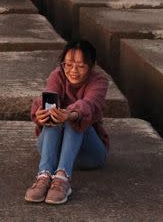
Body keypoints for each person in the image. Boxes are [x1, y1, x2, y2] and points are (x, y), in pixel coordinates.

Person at [25, 40, 109, 205]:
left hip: (88, 155)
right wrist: (40, 113)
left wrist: (70, 114)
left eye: (80, 66)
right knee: (52, 115)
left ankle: (62, 178)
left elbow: (89, 105)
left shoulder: (99, 81)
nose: (73, 71)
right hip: (53, 151)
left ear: (91, 66)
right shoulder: (57, 75)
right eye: (68, 64)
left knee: (75, 119)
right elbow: (46, 97)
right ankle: (44, 175)